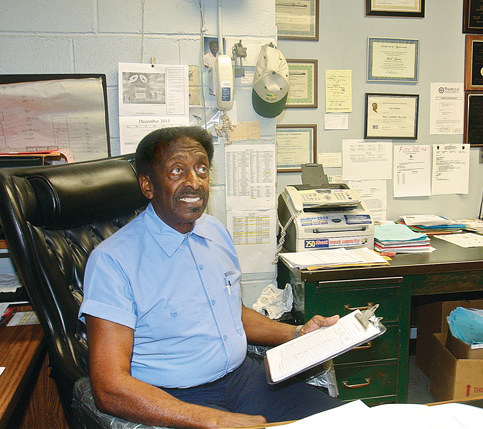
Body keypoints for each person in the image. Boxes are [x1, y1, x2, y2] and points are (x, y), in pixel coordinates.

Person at [79, 126, 343, 428]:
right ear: (148, 185)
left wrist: (296, 335)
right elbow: (109, 388)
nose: (194, 182)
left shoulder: (214, 231)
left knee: (346, 421)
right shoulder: (112, 261)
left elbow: (232, 314)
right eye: (177, 171)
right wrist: (214, 420)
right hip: (173, 398)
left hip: (244, 379)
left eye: (201, 169)